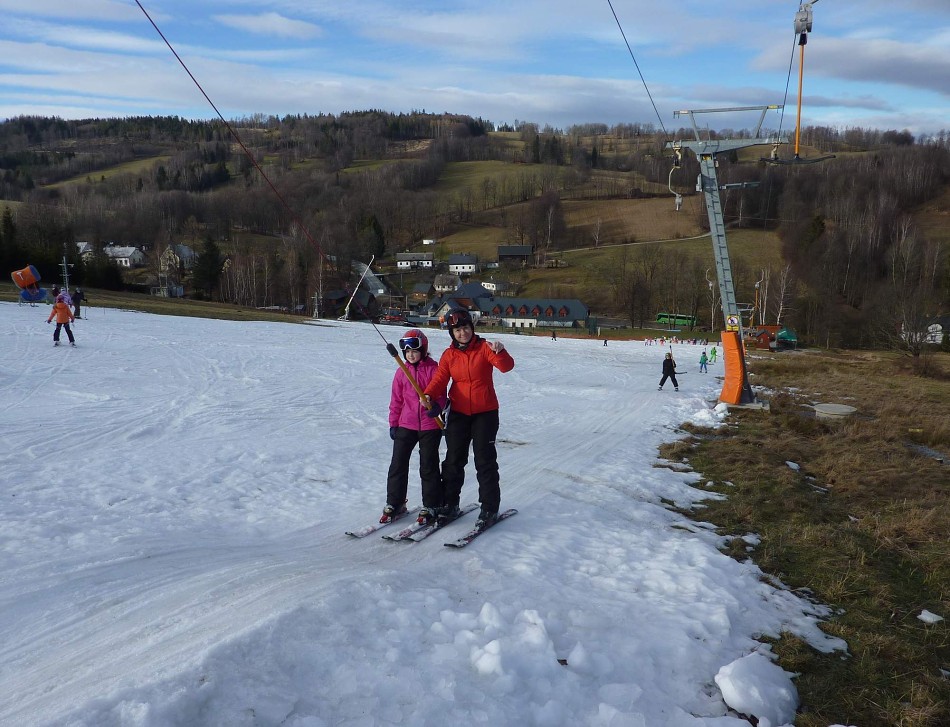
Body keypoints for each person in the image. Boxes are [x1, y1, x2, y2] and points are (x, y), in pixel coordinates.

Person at [422, 308, 515, 530]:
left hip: (486, 413)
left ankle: (489, 508)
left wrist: (500, 351)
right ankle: (450, 504)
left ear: (472, 329)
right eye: (457, 330)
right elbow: (440, 380)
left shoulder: (485, 348)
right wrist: (428, 394)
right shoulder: (449, 355)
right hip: (459, 413)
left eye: (465, 328)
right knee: (453, 461)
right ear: (452, 333)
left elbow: (506, 367)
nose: (462, 333)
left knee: (485, 461)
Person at [381, 330, 447, 524]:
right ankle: (396, 502)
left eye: (415, 350)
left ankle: (431, 505)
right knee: (397, 464)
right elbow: (396, 400)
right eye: (407, 351)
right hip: (406, 424)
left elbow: (441, 395)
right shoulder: (402, 371)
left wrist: (437, 406)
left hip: (429, 425)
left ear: (424, 349)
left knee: (428, 466)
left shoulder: (434, 370)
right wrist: (394, 423)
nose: (410, 354)